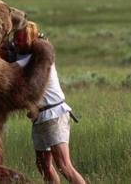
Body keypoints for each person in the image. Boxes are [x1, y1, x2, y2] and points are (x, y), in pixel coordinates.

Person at [11, 21, 86, 184]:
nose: (16, 43)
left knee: (64, 166)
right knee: (43, 165)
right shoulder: (28, 56)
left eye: (20, 40)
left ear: (31, 40)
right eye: (15, 39)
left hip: (54, 116)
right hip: (41, 117)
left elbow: (9, 69)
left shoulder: (36, 60)